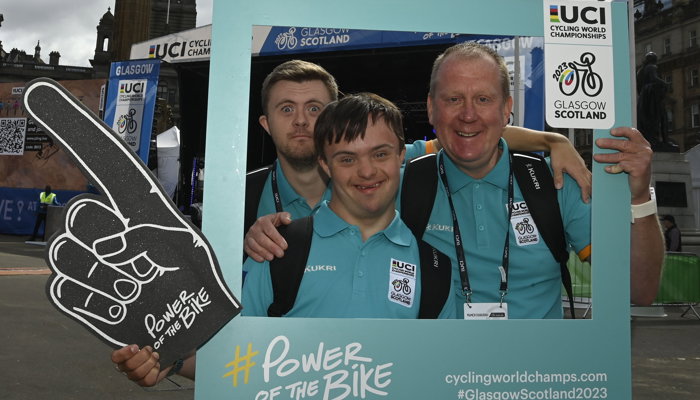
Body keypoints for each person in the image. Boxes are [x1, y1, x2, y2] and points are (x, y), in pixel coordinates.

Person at [247, 43, 665, 319]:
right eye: (452, 100)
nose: (468, 114)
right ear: (431, 108)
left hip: (538, 379)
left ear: (507, 107)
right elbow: (347, 173)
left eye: (483, 99)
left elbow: (638, 290)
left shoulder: (554, 183)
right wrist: (271, 232)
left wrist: (640, 198)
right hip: (433, 380)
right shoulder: (403, 175)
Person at [111, 93, 456, 385]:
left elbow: (443, 374)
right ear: (324, 164)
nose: (366, 171)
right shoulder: (279, 250)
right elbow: (231, 357)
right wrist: (164, 362)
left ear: (401, 156)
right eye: (347, 158)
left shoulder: (436, 267)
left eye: (380, 154)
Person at [244, 59, 592, 262]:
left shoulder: (386, 169)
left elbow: (461, 137)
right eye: (286, 109)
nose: (303, 121)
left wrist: (551, 140)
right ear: (265, 123)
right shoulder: (242, 200)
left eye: (315, 109)